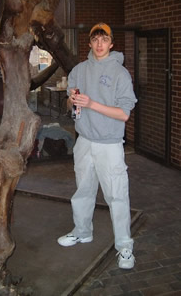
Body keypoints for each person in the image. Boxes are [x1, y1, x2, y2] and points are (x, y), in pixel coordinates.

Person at [57, 22, 137, 269]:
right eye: (95, 39)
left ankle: (124, 247)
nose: (99, 44)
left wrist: (91, 104)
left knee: (117, 196)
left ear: (111, 43)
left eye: (104, 39)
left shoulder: (120, 74)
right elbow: (71, 105)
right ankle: (82, 231)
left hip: (109, 145)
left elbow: (124, 114)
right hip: (84, 142)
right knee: (83, 190)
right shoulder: (79, 71)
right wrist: (72, 102)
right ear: (90, 43)